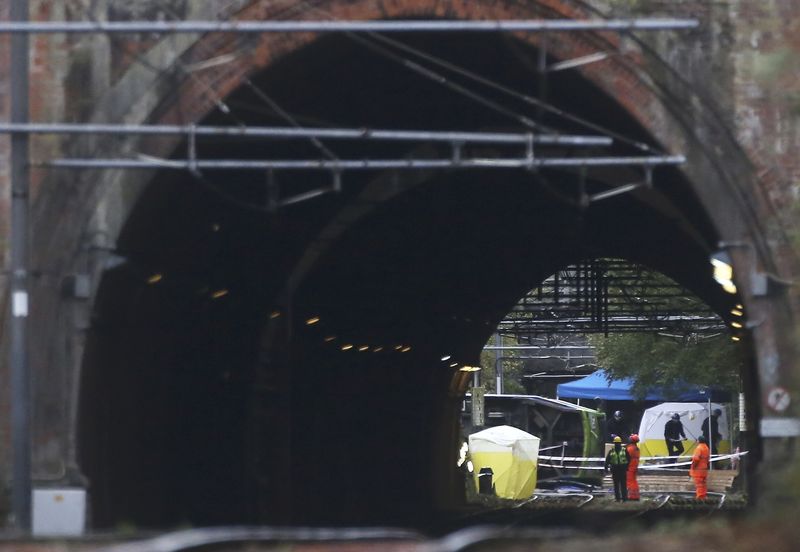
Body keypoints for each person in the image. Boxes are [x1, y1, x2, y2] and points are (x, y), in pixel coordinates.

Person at [605, 436, 630, 501]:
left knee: (623, 485)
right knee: (616, 485)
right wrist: (606, 468)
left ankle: (624, 498)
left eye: (618, 443)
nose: (617, 444)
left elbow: (629, 459)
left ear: (620, 443)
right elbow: (607, 460)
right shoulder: (611, 451)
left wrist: (627, 467)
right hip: (615, 469)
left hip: (622, 469)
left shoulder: (624, 450)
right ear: (614, 443)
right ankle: (618, 498)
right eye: (616, 443)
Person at [690, 435, 710, 500]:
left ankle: (700, 497)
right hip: (704, 469)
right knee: (703, 483)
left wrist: (693, 467)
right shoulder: (706, 448)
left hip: (698, 470)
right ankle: (704, 496)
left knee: (699, 484)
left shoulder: (699, 448)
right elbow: (708, 459)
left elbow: (696, 459)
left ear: (699, 441)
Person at [626, 434, 641, 501]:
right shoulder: (637, 449)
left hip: (630, 468)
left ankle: (632, 496)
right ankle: (636, 496)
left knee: (630, 482)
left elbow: (625, 457)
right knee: (634, 482)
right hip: (634, 467)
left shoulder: (630, 448)